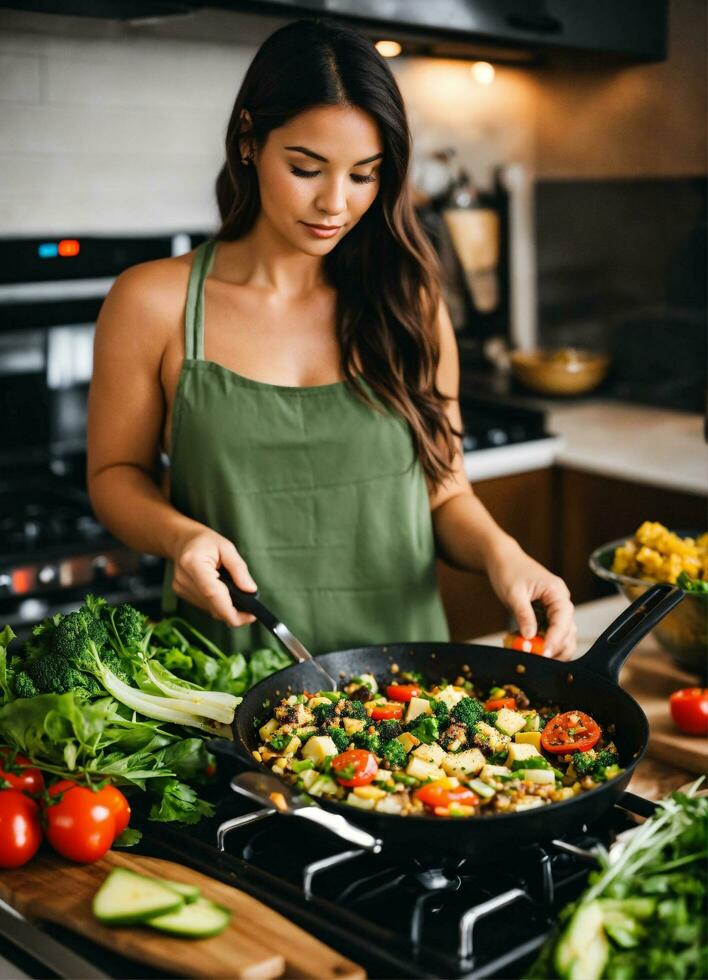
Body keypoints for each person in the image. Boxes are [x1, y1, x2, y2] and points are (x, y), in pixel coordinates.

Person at [87, 19, 576, 661]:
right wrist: (180, 537)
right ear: (247, 142)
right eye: (306, 168)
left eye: (364, 175)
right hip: (225, 681)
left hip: (406, 694)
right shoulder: (154, 301)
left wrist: (503, 554)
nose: (334, 204)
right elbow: (115, 475)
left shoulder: (409, 301)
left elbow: (444, 488)